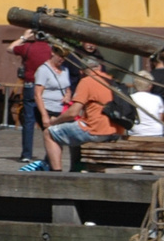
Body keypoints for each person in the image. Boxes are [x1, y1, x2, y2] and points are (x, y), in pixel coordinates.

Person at [38, 56, 123, 172]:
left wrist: (54, 121)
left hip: (96, 130)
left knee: (49, 133)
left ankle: (56, 173)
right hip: (116, 131)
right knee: (73, 131)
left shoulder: (87, 81)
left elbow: (72, 113)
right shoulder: (111, 80)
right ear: (99, 67)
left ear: (81, 71)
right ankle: (75, 169)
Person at [9, 28, 55, 162]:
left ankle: (26, 154)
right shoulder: (51, 49)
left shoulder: (28, 47)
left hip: (30, 85)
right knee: (47, 120)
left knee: (28, 121)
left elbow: (10, 48)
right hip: (46, 88)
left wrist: (24, 37)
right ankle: (50, 152)